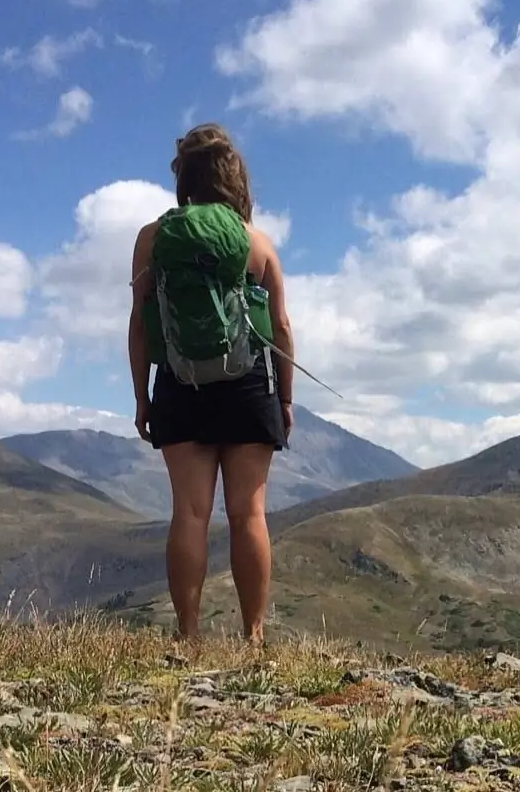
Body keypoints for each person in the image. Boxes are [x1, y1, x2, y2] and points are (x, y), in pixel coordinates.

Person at [128, 123, 295, 646]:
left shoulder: (153, 238)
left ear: (185, 178)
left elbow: (139, 321)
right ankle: (253, 637)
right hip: (248, 387)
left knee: (191, 512)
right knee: (249, 513)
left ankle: (189, 635)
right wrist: (285, 399)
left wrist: (143, 398)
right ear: (235, 179)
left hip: (180, 385)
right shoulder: (257, 243)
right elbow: (283, 326)